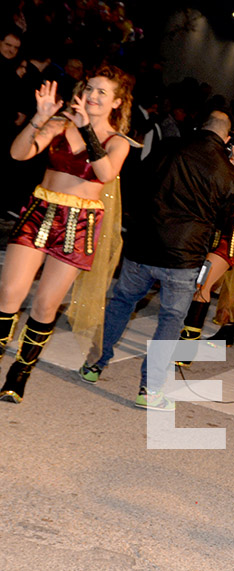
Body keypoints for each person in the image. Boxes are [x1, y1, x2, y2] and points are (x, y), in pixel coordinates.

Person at [77, 109, 234, 410]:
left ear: (199, 126)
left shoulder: (168, 147)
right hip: (185, 255)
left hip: (144, 243)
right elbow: (224, 221)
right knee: (170, 319)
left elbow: (138, 183)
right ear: (228, 138)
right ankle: (149, 390)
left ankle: (94, 365)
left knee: (122, 302)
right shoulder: (228, 172)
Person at [0, 65, 133, 403]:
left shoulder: (119, 142)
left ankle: (20, 373)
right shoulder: (59, 124)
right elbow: (18, 153)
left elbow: (104, 173)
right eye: (90, 87)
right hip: (40, 211)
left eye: (103, 92)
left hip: (79, 224)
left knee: (45, 305)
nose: (93, 95)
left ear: (117, 102)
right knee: (10, 292)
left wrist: (88, 130)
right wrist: (38, 117)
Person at [176, 115, 234, 355]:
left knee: (203, 281)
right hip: (210, 222)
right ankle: (183, 334)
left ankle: (186, 349)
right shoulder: (219, 156)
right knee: (192, 280)